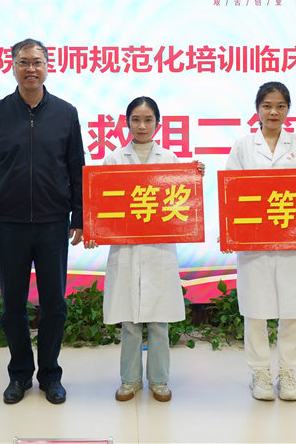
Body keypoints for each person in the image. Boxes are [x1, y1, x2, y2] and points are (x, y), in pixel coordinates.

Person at [0, 38, 85, 405]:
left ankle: (50, 375)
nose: (30, 68)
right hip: (9, 224)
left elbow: (77, 169)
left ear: (48, 66)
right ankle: (19, 374)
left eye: (37, 61)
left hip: (53, 223)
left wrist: (80, 216)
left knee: (54, 305)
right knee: (12, 307)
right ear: (13, 66)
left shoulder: (66, 113)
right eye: (23, 62)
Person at [84, 96, 204, 403]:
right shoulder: (114, 159)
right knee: (130, 322)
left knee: (159, 322)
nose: (142, 126)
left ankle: (159, 381)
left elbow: (182, 203)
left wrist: (194, 176)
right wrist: (93, 229)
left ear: (157, 124)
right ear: (127, 123)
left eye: (148, 120)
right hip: (126, 252)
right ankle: (130, 380)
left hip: (158, 252)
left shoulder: (170, 158)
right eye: (136, 120)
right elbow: (103, 204)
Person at [224, 81, 296, 402]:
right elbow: (232, 193)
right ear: (257, 109)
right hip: (255, 244)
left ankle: (288, 373)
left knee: (293, 311)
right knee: (256, 310)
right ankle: (260, 373)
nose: (273, 112)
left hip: (293, 243)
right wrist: (230, 231)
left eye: (280, 106)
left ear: (288, 109)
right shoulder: (243, 147)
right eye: (267, 105)